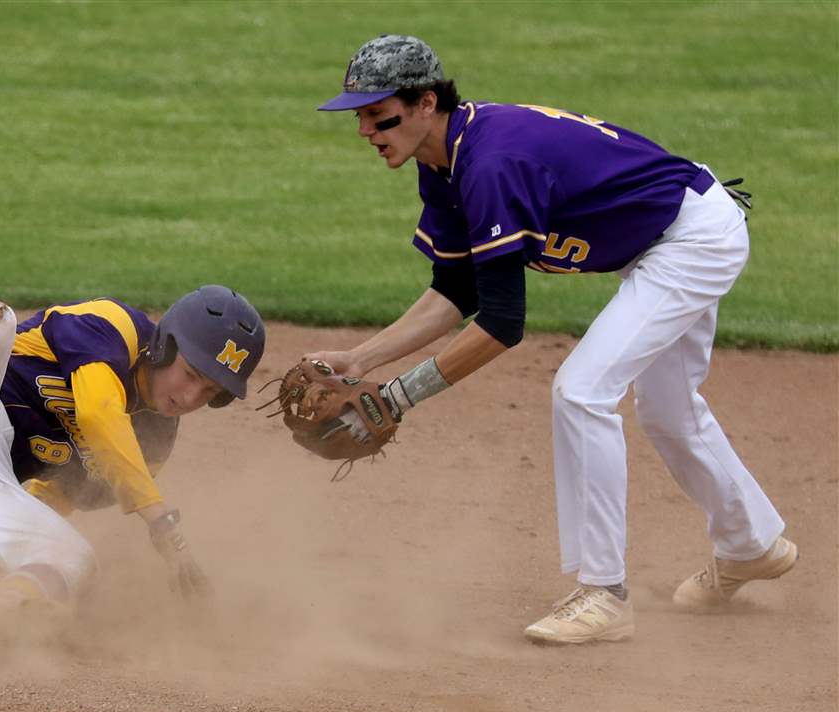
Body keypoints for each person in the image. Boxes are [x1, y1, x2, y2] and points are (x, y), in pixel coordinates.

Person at [308, 35, 796, 644]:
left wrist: (396, 398)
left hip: (691, 241)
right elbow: (457, 292)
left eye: (378, 115)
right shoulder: (443, 162)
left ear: (425, 103)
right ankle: (750, 543)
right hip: (668, 237)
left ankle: (605, 594)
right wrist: (360, 359)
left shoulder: (490, 163)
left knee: (582, 392)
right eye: (358, 116)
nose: (365, 130)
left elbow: (502, 324)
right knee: (667, 409)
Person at [0, 238, 265, 611]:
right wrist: (159, 519)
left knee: (72, 560)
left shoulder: (150, 444)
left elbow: (55, 496)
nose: (191, 398)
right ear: (165, 344)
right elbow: (98, 412)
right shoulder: (112, 326)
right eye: (191, 375)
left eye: (209, 392)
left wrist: (13, 557)